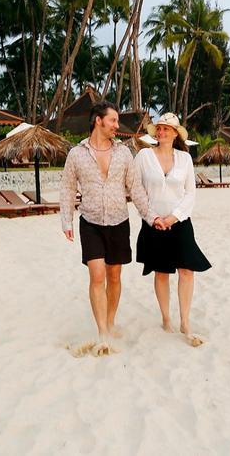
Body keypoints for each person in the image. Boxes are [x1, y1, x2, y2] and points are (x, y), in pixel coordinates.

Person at [60, 101, 154, 356]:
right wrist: (66, 220)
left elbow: (135, 188)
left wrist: (150, 216)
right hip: (90, 222)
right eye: (112, 120)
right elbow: (68, 188)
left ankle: (110, 321)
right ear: (98, 121)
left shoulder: (124, 154)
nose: (116, 125)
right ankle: (102, 332)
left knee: (114, 277)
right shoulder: (76, 154)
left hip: (119, 222)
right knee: (97, 276)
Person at [133, 113, 211, 347]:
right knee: (161, 272)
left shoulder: (185, 159)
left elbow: (190, 193)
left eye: (167, 129)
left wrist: (173, 218)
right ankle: (166, 318)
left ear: (176, 134)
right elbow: (136, 190)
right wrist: (153, 217)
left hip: (180, 222)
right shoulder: (144, 156)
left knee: (187, 270)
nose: (162, 132)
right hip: (153, 222)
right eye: (160, 128)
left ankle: (185, 321)